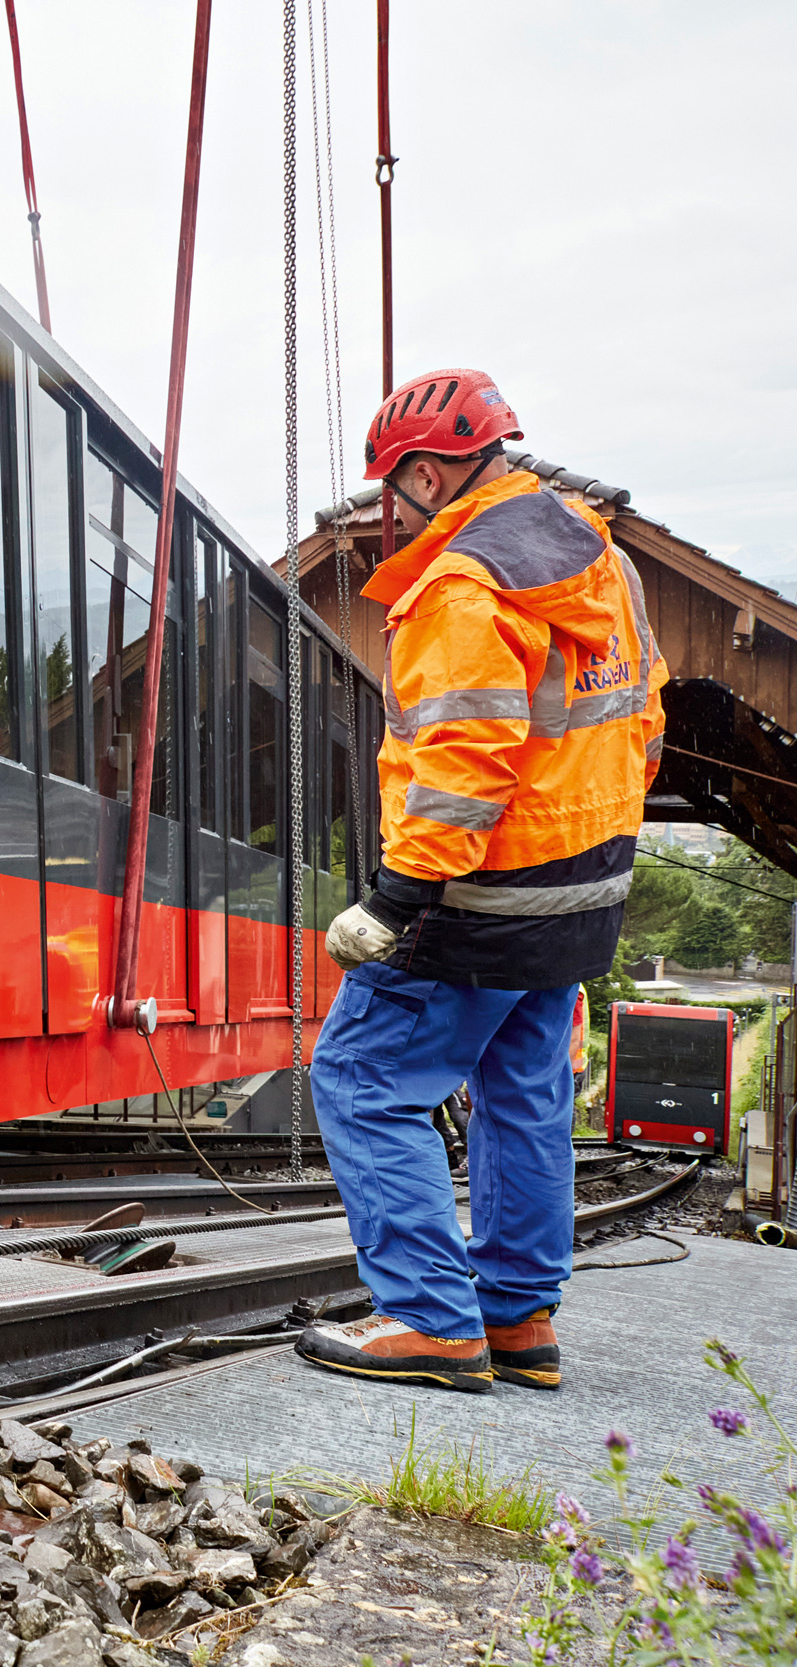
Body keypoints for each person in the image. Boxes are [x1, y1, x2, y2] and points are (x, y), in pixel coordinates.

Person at [298, 370, 667, 1394]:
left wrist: (396, 896)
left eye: (387, 491)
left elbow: (465, 758)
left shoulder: (461, 581)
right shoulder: (600, 558)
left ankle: (427, 1318)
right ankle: (516, 1320)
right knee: (524, 1093)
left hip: (480, 895)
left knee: (361, 1078)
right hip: (580, 888)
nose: (384, 513)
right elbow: (644, 717)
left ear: (423, 473)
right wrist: (589, 844)